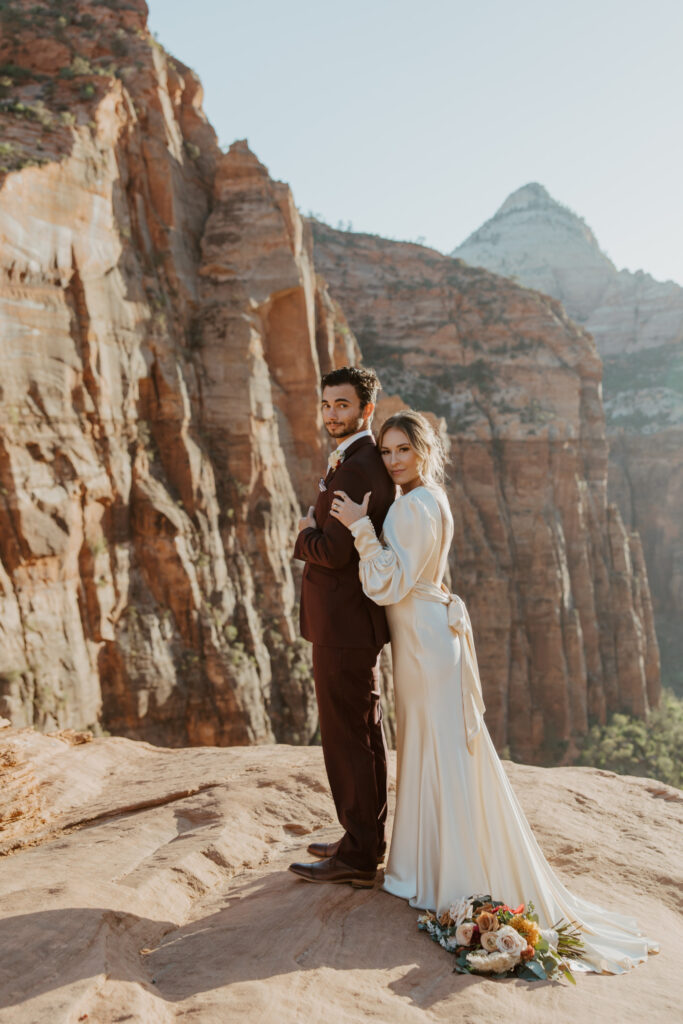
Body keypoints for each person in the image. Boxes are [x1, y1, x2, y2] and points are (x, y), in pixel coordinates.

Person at [328, 408, 658, 974]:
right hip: (430, 639)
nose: (393, 460)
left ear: (425, 450)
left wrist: (360, 528)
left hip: (425, 647)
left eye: (403, 449)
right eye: (385, 452)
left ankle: (443, 876)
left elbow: (387, 582)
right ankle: (430, 866)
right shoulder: (433, 499)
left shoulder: (411, 506)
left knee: (439, 753)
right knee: (439, 751)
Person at [289, 366, 396, 888]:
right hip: (353, 624)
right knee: (363, 732)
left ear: (366, 410)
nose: (333, 414)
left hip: (341, 625)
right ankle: (362, 840)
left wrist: (304, 534)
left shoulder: (355, 468)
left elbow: (333, 552)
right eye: (328, 404)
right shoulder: (358, 460)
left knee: (346, 737)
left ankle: (356, 856)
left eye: (343, 405)